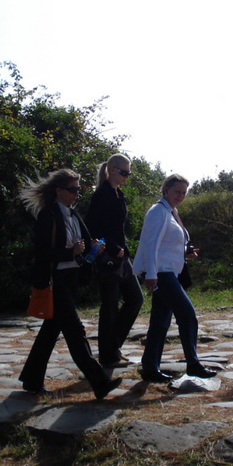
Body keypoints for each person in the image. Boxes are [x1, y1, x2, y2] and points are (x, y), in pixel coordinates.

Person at [18, 168, 122, 400]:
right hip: (56, 282)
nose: (77, 193)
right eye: (72, 189)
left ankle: (31, 380)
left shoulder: (73, 215)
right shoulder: (49, 215)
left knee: (50, 331)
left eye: (78, 189)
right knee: (76, 331)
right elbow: (42, 252)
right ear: (59, 191)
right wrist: (70, 252)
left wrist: (94, 248)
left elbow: (83, 246)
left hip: (70, 280)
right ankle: (99, 382)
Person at [132, 174, 216, 383]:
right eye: (177, 191)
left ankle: (150, 367)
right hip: (161, 274)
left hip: (168, 271)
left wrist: (184, 254)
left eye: (184, 193)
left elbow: (165, 245)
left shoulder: (170, 212)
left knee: (160, 322)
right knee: (187, 315)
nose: (181, 196)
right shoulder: (158, 212)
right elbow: (150, 245)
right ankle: (193, 364)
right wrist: (151, 276)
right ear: (166, 190)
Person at [85, 154, 143, 368]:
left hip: (121, 256)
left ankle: (112, 347)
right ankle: (108, 355)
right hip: (107, 257)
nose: (127, 176)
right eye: (124, 172)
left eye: (129, 172)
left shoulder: (119, 194)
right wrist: (111, 247)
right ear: (111, 170)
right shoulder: (101, 195)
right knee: (109, 305)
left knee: (135, 299)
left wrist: (122, 249)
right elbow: (91, 226)